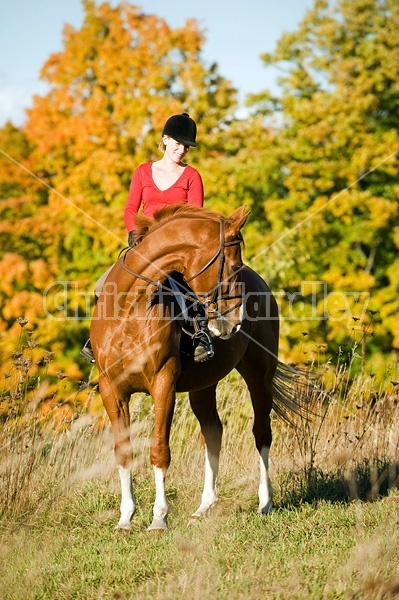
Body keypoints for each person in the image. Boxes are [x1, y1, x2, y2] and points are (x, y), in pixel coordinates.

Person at [81, 113, 214, 364]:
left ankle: (200, 335)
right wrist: (133, 232)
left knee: (193, 290)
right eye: (178, 143)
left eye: (187, 146)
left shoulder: (192, 176)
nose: (182, 149)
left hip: (176, 250)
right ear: (165, 139)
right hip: (142, 245)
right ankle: (95, 339)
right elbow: (131, 208)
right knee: (102, 285)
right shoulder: (143, 171)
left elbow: (194, 218)